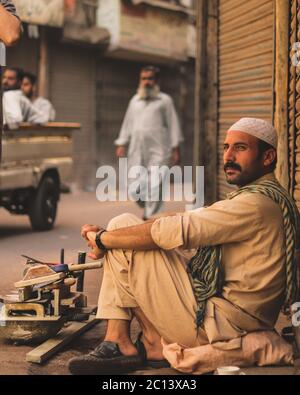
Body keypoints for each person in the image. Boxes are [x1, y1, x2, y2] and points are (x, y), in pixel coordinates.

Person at [68, 118, 300, 375]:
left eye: (240, 148)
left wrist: (102, 240)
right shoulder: (265, 198)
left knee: (123, 236)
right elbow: (185, 219)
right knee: (124, 228)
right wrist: (109, 236)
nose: (229, 156)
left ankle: (123, 342)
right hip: (221, 313)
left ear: (268, 157)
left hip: (220, 325)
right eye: (226, 147)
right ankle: (146, 341)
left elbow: (175, 230)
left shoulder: (255, 205)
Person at [114, 65, 184, 220]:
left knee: (155, 187)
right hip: (137, 151)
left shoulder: (164, 101)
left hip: (159, 151)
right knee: (134, 188)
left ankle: (152, 219)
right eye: (143, 79)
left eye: (150, 78)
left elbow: (173, 125)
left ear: (157, 80)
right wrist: (121, 143)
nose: (146, 82)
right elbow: (128, 123)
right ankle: (148, 210)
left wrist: (175, 149)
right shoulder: (135, 101)